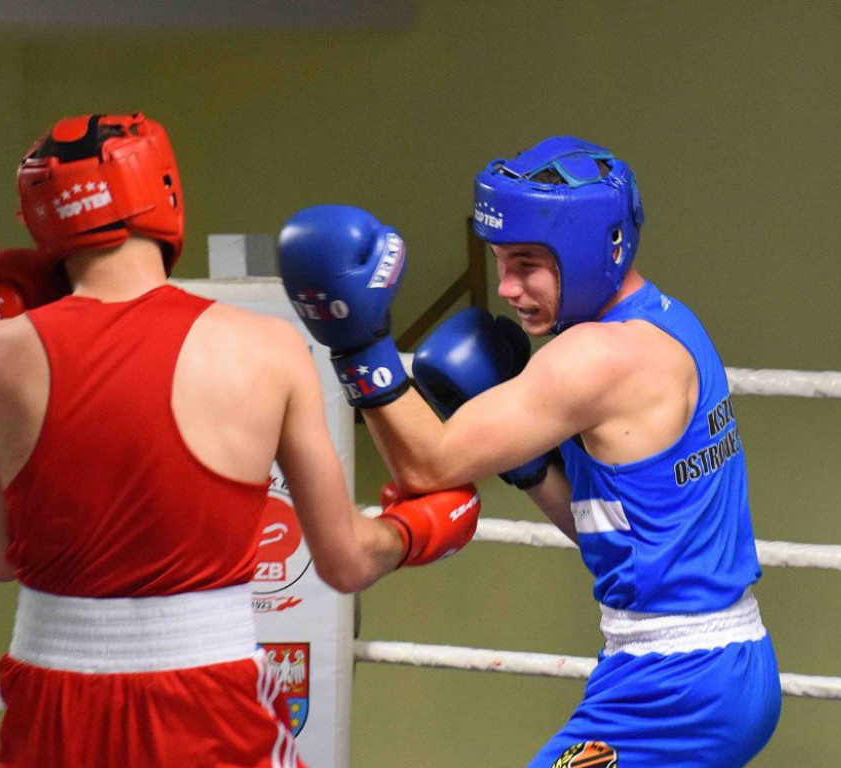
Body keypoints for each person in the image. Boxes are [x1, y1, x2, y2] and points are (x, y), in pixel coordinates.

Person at [0, 111, 480, 768]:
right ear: (164, 194)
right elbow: (343, 560)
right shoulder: (263, 348)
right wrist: (417, 529)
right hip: (203, 697)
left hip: (50, 701)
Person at [275, 136, 781, 767]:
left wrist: (358, 344)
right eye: (500, 263)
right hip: (727, 663)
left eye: (527, 264)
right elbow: (615, 533)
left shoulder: (594, 357)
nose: (508, 289)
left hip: (674, 684)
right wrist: (530, 466)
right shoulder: (673, 323)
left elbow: (426, 464)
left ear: (598, 250)